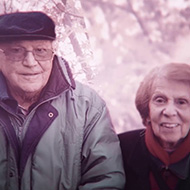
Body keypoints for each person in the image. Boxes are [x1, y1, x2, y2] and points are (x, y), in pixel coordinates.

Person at [0, 11, 125, 190]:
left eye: (40, 51)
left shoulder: (87, 107)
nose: (30, 62)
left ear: (53, 53)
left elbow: (106, 180)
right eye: (16, 51)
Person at [119, 63, 190, 190]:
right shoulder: (119, 149)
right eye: (160, 100)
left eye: (181, 102)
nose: (169, 111)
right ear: (147, 110)